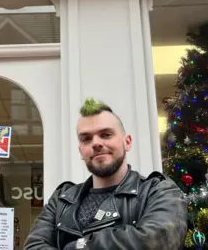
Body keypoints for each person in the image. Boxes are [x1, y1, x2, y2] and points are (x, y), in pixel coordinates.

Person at [24, 98, 188, 250]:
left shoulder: (158, 191)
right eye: (86, 139)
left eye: (106, 135)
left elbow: (157, 241)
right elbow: (34, 246)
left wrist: (78, 246)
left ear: (127, 142)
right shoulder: (62, 199)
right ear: (81, 151)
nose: (96, 143)